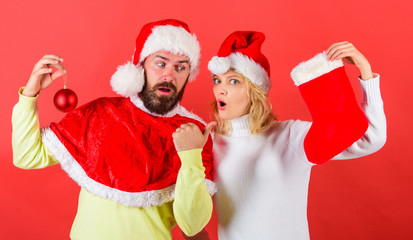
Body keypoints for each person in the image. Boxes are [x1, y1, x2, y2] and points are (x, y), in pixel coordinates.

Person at [12, 19, 216, 240]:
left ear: (188, 74)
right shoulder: (99, 114)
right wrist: (30, 95)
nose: (169, 75)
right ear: (141, 66)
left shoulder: (194, 132)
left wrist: (191, 156)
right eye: (161, 63)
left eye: (180, 67)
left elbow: (192, 225)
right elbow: (27, 157)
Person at [188, 31, 386, 239]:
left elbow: (370, 138)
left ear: (255, 90)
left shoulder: (290, 136)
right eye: (217, 80)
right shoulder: (207, 143)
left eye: (233, 81)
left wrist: (366, 73)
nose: (221, 90)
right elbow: (189, 206)